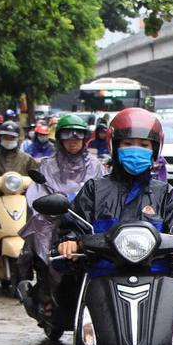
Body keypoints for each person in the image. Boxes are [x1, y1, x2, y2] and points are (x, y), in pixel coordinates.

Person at [56, 108, 173, 262]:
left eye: (143, 145)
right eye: (128, 143)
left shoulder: (164, 193)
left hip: (157, 276)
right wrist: (70, 241)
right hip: (102, 275)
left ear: (154, 150)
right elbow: (75, 226)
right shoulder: (94, 189)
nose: (136, 150)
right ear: (115, 147)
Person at [17, 114, 104, 315]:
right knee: (41, 251)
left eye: (77, 136)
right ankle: (41, 296)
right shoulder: (47, 166)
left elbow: (106, 194)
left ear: (84, 138)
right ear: (60, 139)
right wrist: (56, 207)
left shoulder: (96, 166)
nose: (73, 141)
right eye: (67, 135)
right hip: (54, 222)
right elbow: (36, 197)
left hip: (87, 225)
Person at [0, 122, 39, 188]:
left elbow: (37, 177)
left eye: (12, 137)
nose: (8, 140)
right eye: (5, 137)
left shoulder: (27, 159)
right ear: (0, 138)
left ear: (17, 138)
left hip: (22, 195)